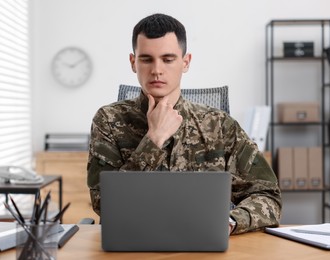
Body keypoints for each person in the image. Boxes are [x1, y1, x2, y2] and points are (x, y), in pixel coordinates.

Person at [87, 13, 281, 235]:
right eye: (146, 59)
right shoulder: (108, 120)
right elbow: (105, 205)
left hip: (202, 243)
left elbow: (268, 195)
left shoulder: (219, 125)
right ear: (133, 62)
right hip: (133, 242)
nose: (157, 70)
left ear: (185, 62)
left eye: (168, 59)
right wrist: (154, 139)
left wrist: (230, 221)